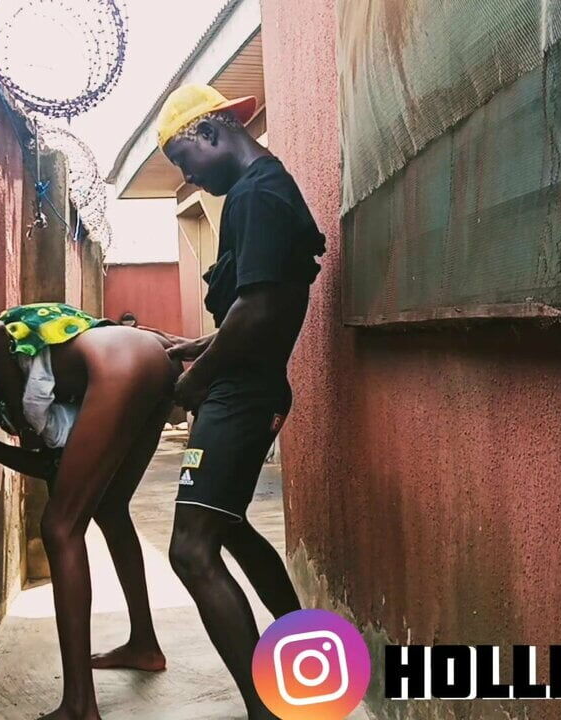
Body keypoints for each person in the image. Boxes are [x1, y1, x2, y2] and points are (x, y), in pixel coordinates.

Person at [153, 84, 327, 719]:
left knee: (190, 549)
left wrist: (194, 380)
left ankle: (266, 708)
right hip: (248, 386)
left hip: (241, 396)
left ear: (210, 131)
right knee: (227, 524)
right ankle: (308, 657)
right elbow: (260, 307)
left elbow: (256, 314)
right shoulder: (261, 191)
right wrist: (197, 345)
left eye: (184, 160)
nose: (189, 177)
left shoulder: (258, 194)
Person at [0, 302, 179, 720]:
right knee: (110, 507)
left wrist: (19, 423)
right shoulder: (58, 381)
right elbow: (54, 465)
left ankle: (79, 706)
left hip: (123, 361)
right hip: (155, 360)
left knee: (58, 528)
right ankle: (144, 645)